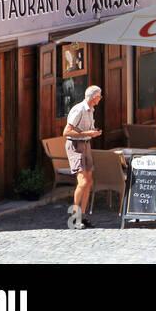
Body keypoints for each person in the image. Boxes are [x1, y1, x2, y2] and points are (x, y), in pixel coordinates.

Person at [64, 85, 102, 228]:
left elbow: (86, 130)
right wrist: (87, 134)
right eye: (99, 96)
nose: (100, 98)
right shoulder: (78, 109)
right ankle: (74, 216)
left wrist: (92, 133)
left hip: (86, 145)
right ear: (93, 98)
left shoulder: (91, 110)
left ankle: (83, 215)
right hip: (75, 146)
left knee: (89, 181)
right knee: (83, 182)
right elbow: (66, 132)